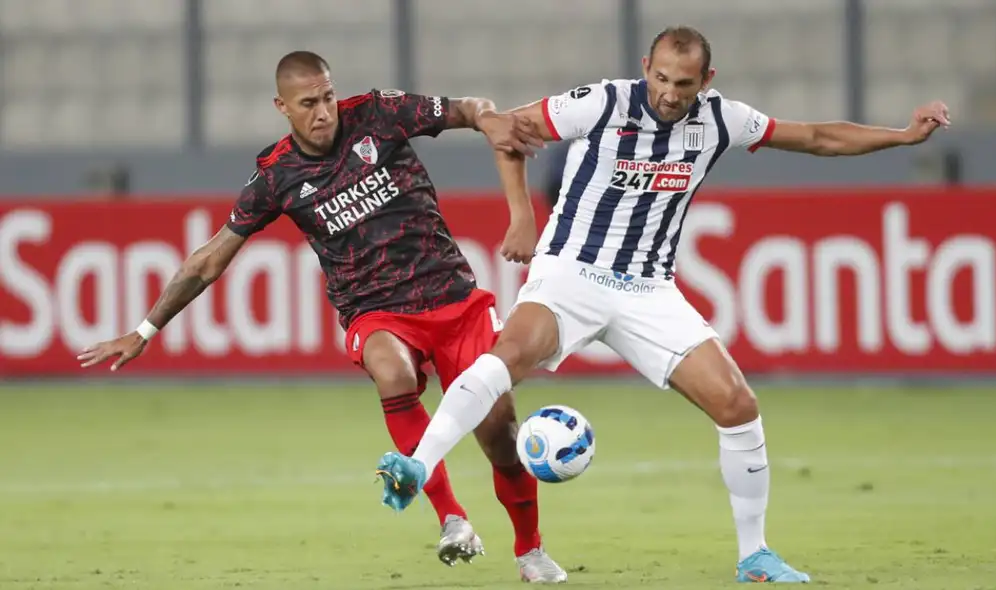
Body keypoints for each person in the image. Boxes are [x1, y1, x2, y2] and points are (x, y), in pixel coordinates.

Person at [375, 26, 951, 584]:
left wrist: (901, 136)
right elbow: (507, 129)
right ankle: (418, 466)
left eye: (685, 84)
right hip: (572, 270)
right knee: (505, 359)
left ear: (707, 79)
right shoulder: (603, 102)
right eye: (664, 79)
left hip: (648, 289)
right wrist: (523, 216)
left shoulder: (722, 118)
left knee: (737, 404)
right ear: (647, 69)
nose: (672, 94)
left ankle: (755, 556)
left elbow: (816, 137)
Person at [77, 51, 569, 583]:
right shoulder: (276, 175)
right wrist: (146, 329)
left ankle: (530, 551)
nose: (323, 111)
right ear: (282, 107)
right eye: (308, 103)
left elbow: (470, 109)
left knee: (500, 431)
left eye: (328, 96)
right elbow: (210, 259)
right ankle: (452, 518)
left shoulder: (381, 113)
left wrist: (490, 118)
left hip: (451, 296)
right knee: (393, 373)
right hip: (375, 311)